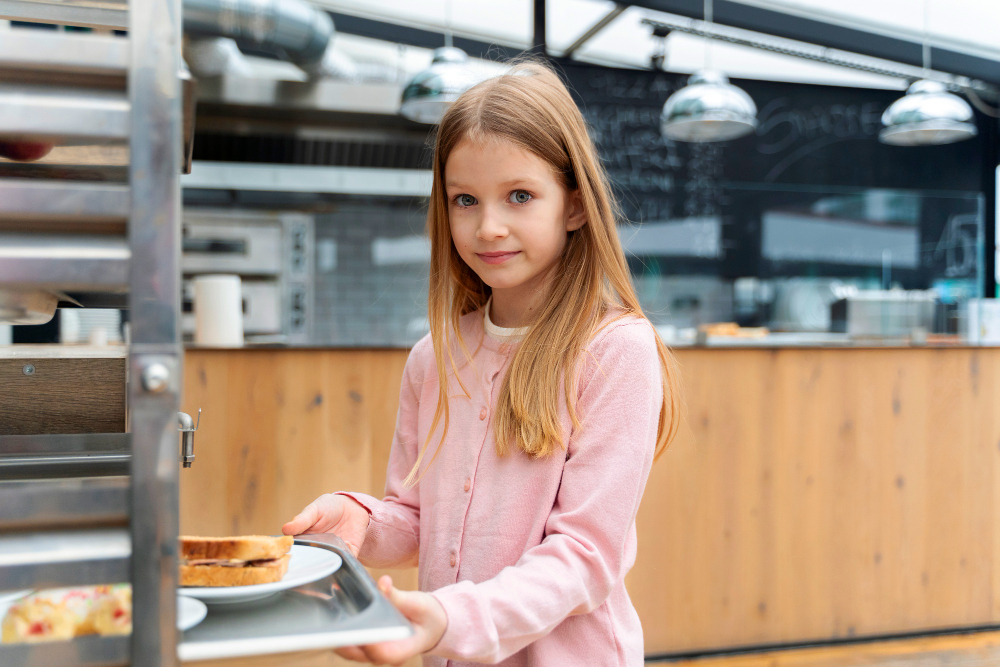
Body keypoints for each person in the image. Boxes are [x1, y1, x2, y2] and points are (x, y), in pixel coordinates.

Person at [282, 60, 680, 666]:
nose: (488, 227)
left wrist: (449, 618)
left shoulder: (616, 351)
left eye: (519, 196)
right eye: (464, 199)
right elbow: (421, 521)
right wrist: (360, 519)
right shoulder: (432, 360)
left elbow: (585, 556)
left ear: (574, 205)